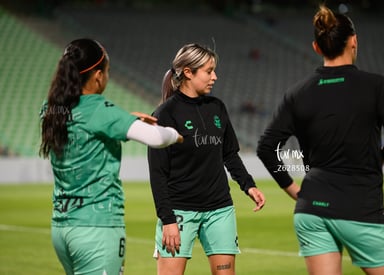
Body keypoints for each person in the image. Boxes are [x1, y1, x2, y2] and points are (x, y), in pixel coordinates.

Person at [256, 5, 384, 275]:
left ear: (316, 47)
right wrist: (381, 157)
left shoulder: (297, 93)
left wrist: (294, 190)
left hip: (311, 209)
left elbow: (266, 148)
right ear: (354, 40)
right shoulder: (375, 85)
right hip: (360, 207)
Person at [39, 38, 183, 275]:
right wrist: (176, 135)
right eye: (107, 72)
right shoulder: (99, 108)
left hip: (62, 227)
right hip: (97, 228)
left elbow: (84, 122)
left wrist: (125, 118)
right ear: (97, 76)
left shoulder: (51, 109)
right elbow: (157, 138)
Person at [147, 43, 266, 275]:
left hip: (220, 210)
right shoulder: (165, 114)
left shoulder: (217, 107)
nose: (215, 77)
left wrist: (248, 186)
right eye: (209, 71)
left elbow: (229, 154)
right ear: (189, 73)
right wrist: (168, 220)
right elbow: (158, 174)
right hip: (179, 213)